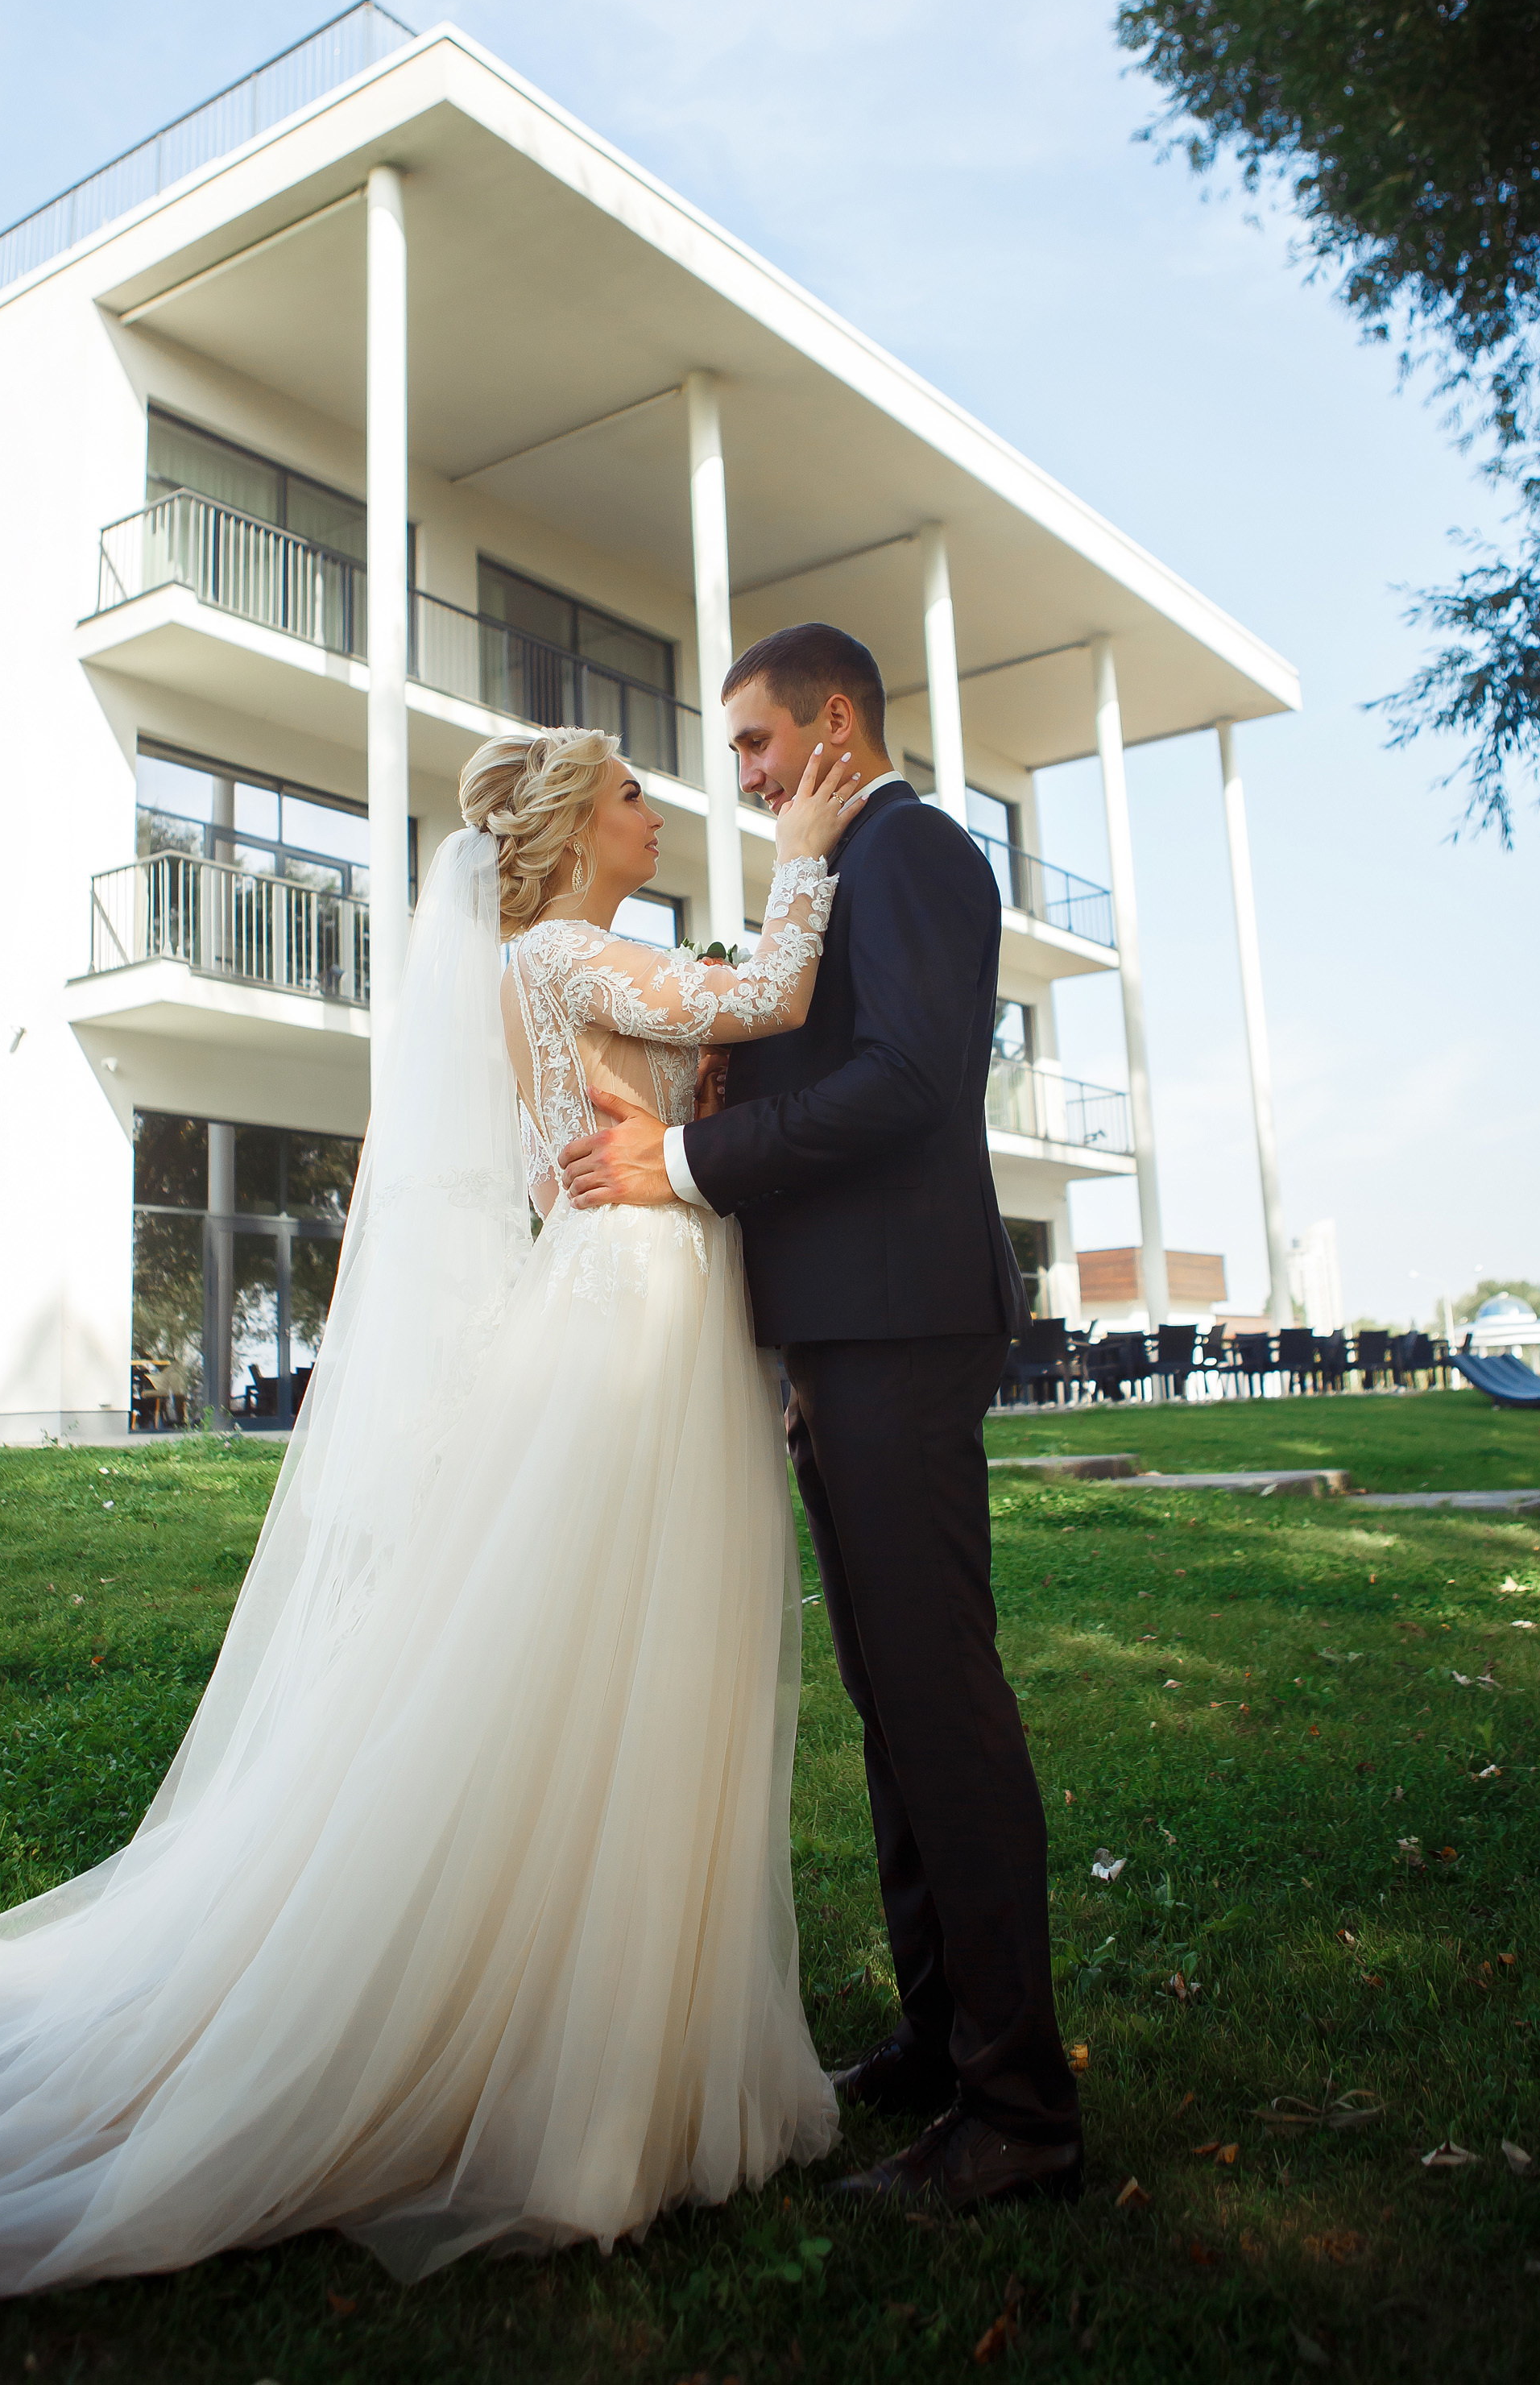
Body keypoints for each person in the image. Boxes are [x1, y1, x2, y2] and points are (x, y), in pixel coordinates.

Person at [0, 727, 861, 2296]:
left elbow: (670, 1074)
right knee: (627, 1665)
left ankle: (615, 2057)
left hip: (630, 1295)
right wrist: (805, 860)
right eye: (634, 796)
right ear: (576, 828)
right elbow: (768, 993)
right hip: (631, 1321)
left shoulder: (541, 960)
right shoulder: (568, 948)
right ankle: (589, 2089)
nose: (656, 814)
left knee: (627, 1668)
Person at [557, 623, 1084, 2213]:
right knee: (890, 1702)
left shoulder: (913, 850)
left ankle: (1019, 2113)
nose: (740, 776)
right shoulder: (827, 875)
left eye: (754, 744)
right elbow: (818, 1053)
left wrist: (689, 1166)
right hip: (839, 1335)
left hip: (899, 1325)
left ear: (831, 719)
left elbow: (909, 1083)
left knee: (940, 1701)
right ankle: (940, 2046)